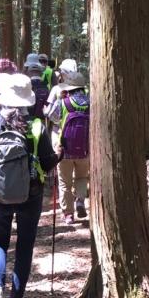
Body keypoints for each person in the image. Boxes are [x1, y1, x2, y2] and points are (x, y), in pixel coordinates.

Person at [0, 74, 59, 298]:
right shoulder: (36, 127)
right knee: (24, 245)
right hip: (30, 194)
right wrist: (59, 155)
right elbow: (46, 165)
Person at [47, 70, 90, 224]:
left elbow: (51, 116)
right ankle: (80, 200)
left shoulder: (64, 102)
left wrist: (59, 99)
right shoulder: (90, 102)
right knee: (82, 177)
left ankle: (68, 214)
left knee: (65, 182)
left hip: (64, 149)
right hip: (85, 149)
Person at [24, 54, 50, 119]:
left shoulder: (25, 85)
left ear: (28, 72)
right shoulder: (45, 86)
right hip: (41, 119)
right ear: (41, 73)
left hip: (27, 118)